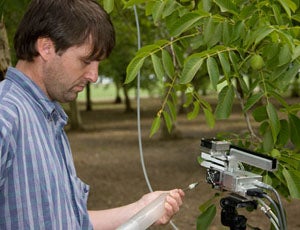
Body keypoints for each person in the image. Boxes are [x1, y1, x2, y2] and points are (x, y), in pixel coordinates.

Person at [0, 0, 185, 229]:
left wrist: (140, 210)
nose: (94, 76)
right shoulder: (5, 114)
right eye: (86, 61)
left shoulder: (46, 117)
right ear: (46, 47)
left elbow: (69, 221)